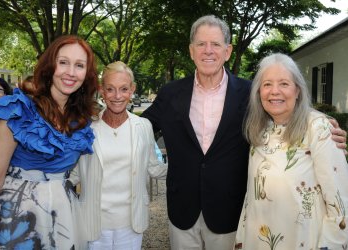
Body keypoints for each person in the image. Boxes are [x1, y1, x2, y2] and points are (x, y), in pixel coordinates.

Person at [142, 15, 348, 249]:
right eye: (201, 44)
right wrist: (98, 120)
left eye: (216, 44)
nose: (208, 51)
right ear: (191, 50)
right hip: (182, 210)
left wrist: (323, 123)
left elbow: (284, 104)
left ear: (228, 51)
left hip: (229, 211)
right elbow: (140, 128)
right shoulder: (170, 93)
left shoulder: (250, 93)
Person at [234, 53, 348, 249]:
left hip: (302, 241)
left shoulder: (318, 128)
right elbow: (251, 197)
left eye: (284, 84)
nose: (274, 91)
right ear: (259, 91)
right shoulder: (259, 130)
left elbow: (340, 204)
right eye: (267, 84)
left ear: (297, 91)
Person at [0, 35, 98, 249]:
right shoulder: (19, 110)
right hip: (19, 215)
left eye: (79, 65)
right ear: (50, 65)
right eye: (63, 62)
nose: (71, 72)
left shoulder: (80, 119)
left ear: (86, 74)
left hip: (64, 215)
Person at [69, 61, 167, 249]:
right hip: (93, 222)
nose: (117, 96)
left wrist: (185, 167)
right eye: (110, 89)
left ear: (132, 90)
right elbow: (75, 173)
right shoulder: (86, 128)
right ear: (102, 91)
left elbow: (153, 168)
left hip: (131, 223)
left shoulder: (143, 126)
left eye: (123, 89)